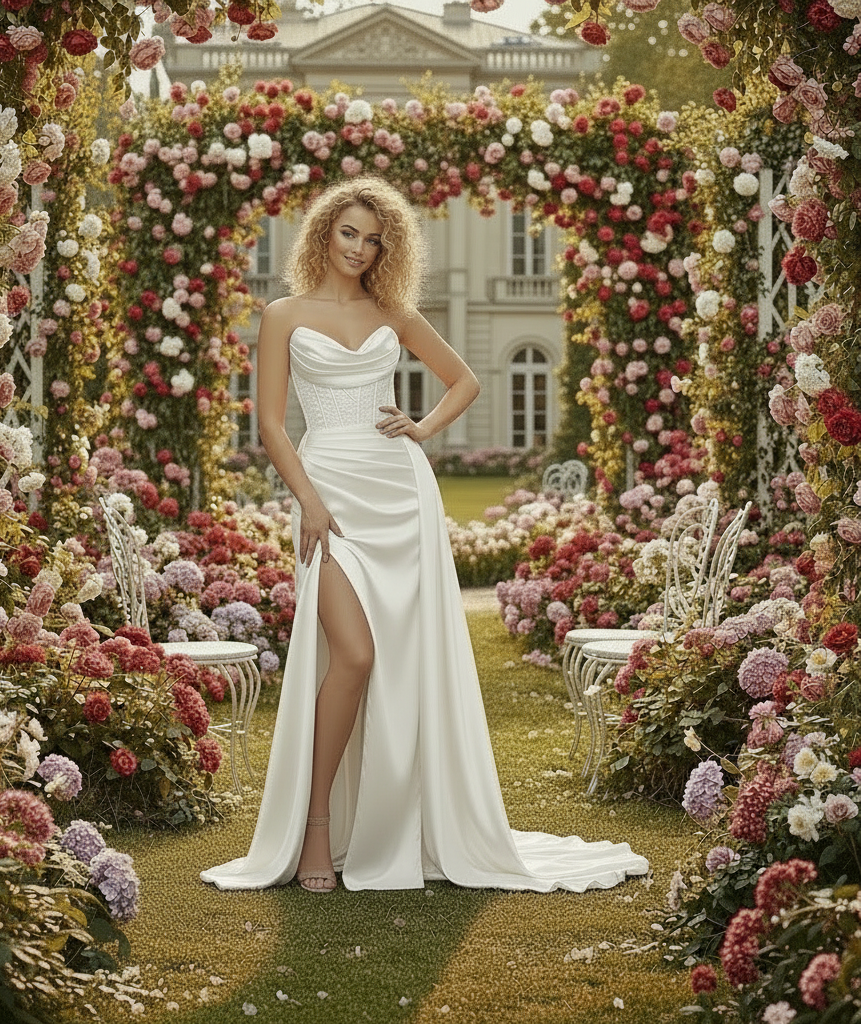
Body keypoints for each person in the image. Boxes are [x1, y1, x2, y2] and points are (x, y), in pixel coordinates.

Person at [200, 177, 648, 893]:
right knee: (353, 654)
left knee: (402, 660)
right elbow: (272, 426)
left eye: (374, 238)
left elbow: (463, 380)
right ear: (323, 232)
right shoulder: (282, 313)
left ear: (388, 247)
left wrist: (422, 429)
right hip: (329, 495)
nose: (359, 247)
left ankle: (387, 821)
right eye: (349, 232)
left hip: (398, 490)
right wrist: (308, 503)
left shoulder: (394, 312)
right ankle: (317, 826)